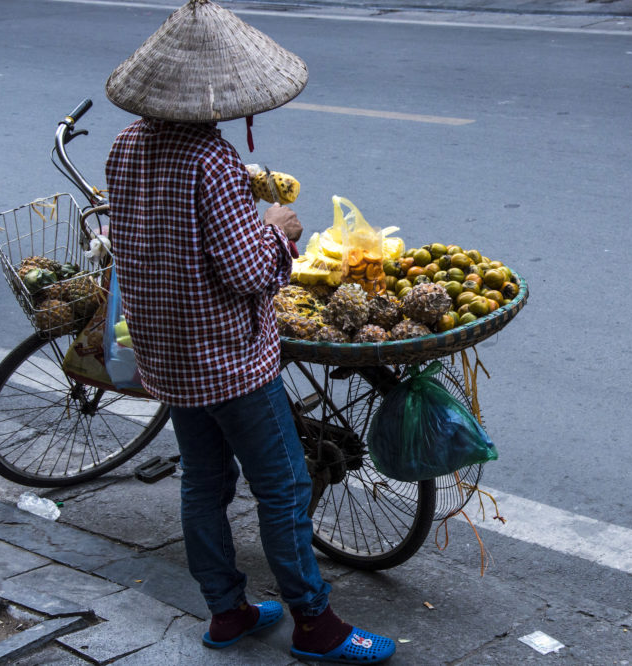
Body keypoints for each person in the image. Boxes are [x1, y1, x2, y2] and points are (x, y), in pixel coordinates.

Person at [102, 1, 395, 663]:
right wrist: (279, 231)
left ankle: (228, 611)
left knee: (203, 483)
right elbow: (246, 273)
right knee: (284, 485)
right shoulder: (212, 162)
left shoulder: (126, 146)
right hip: (229, 360)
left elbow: (142, 243)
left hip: (168, 356)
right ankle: (316, 626)